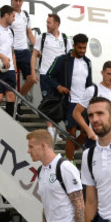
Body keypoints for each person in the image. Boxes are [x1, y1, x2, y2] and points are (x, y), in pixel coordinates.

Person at [46, 33, 92, 161]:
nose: (82, 51)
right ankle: (70, 161)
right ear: (74, 46)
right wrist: (58, 87)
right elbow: (49, 75)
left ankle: (68, 153)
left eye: (84, 48)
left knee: (85, 133)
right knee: (71, 134)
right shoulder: (63, 60)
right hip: (70, 102)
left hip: (83, 104)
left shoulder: (87, 62)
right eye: (80, 48)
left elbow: (89, 84)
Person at [29, 14, 71, 138]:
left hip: (59, 77)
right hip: (45, 75)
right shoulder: (42, 37)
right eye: (46, 22)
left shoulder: (65, 39)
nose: (46, 25)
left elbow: (70, 58)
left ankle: (54, 129)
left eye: (49, 23)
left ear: (56, 24)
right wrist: (32, 71)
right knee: (48, 101)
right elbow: (34, 54)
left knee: (58, 103)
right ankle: (50, 130)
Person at [71, 61, 111, 149]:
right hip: (97, 139)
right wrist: (89, 131)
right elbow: (76, 113)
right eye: (109, 74)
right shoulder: (92, 90)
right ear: (102, 73)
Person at [11, 0, 38, 99]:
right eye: (16, 1)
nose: (18, 3)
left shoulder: (25, 15)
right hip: (11, 51)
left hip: (24, 51)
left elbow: (29, 33)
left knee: (32, 78)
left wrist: (37, 47)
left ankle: (19, 98)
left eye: (20, 1)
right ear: (12, 0)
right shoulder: (8, 14)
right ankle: (12, 102)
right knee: (12, 79)